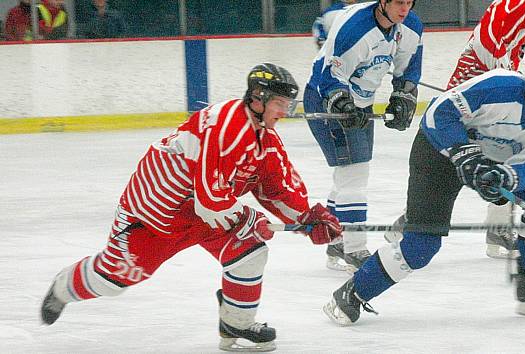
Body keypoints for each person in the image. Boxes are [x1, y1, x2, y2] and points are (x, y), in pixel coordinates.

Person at [40, 63, 343, 352]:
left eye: (287, 103)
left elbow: (274, 188)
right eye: (280, 102)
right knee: (114, 279)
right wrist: (250, 216)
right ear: (257, 99)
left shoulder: (264, 138)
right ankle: (64, 287)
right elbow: (210, 198)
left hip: (202, 213)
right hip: (156, 215)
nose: (285, 111)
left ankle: (236, 325)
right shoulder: (227, 126)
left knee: (249, 252)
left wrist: (307, 218)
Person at [323, 50, 525, 325]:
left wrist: (503, 179)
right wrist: (464, 153)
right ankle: (352, 293)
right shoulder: (498, 86)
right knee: (422, 246)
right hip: (440, 154)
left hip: (491, 161)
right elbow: (438, 113)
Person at [304, 0, 423, 273]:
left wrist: (402, 97)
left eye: (409, 2)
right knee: (354, 174)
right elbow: (329, 78)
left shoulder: (411, 26)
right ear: (383, 1)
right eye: (398, 2)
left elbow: (408, 70)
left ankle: (337, 239)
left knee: (349, 174)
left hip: (361, 101)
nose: (404, 9)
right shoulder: (355, 27)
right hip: (324, 99)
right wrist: (343, 103)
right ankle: (354, 248)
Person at [447, 0, 525, 259]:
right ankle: (497, 231)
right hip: (481, 95)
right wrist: (504, 81)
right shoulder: (520, 3)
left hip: (475, 92)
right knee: (504, 156)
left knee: (462, 163)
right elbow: (486, 41)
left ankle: (409, 224)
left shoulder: (519, 6)